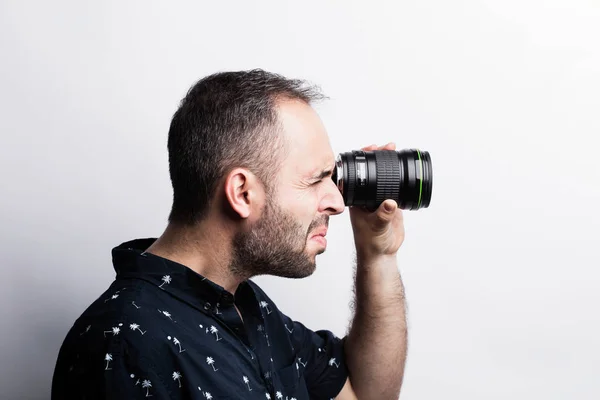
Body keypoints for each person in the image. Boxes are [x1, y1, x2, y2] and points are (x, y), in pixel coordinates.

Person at [51, 69, 407, 399]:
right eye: (316, 179)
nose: (336, 203)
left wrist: (379, 253)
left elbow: (365, 394)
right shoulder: (128, 344)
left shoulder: (250, 309)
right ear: (242, 193)